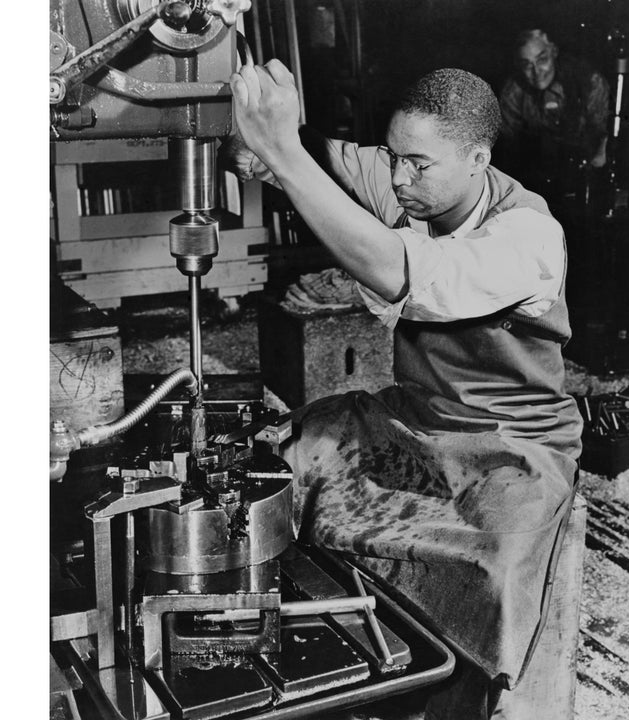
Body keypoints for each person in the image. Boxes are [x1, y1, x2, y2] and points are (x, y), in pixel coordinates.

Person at [224, 59, 583, 719]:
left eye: (419, 164)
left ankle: (462, 696)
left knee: (492, 575)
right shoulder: (410, 185)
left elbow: (402, 273)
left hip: (512, 444)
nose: (397, 178)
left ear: (479, 158)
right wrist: (252, 138)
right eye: (393, 157)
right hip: (414, 417)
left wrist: (280, 149)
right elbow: (287, 153)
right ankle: (325, 656)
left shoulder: (527, 235)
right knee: (285, 457)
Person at [497, 29, 611, 203]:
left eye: (542, 60)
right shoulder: (513, 92)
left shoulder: (588, 82)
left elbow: (602, 135)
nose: (536, 71)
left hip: (587, 176)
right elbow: (508, 150)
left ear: (554, 53)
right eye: (527, 64)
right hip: (538, 183)